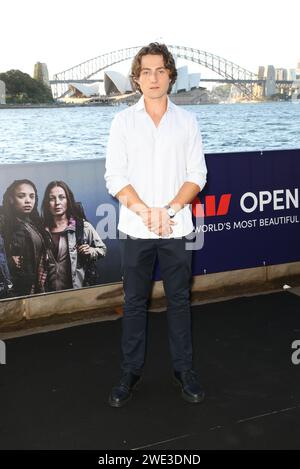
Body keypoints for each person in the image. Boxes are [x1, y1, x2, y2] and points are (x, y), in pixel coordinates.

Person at [104, 43, 207, 407]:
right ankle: (130, 372)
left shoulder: (188, 121)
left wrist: (171, 208)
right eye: (146, 71)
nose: (153, 77)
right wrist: (147, 211)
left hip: (177, 228)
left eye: (160, 70)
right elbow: (114, 176)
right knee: (134, 303)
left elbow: (198, 174)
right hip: (136, 228)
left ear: (170, 75)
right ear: (136, 78)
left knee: (179, 301)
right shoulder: (122, 121)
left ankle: (184, 370)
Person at [41, 181, 106, 291]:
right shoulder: (41, 230)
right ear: (47, 203)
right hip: (47, 295)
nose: (57, 202)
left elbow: (103, 250)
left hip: (76, 292)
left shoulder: (82, 227)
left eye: (62, 197)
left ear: (68, 200)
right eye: (52, 199)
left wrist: (91, 251)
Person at [2, 179, 47, 297]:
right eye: (21, 196)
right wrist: (10, 260)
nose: (28, 201)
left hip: (37, 284)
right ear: (11, 199)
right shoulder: (4, 224)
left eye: (32, 196)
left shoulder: (35, 223)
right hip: (17, 288)